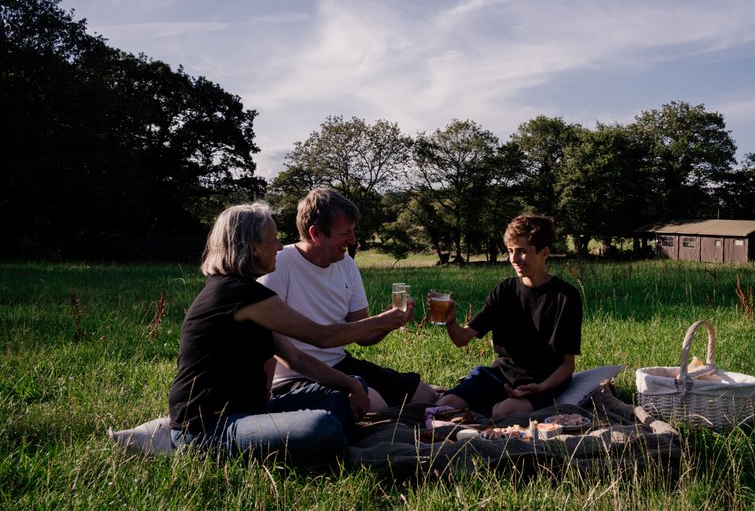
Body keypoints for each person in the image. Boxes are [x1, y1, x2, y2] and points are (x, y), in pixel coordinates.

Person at [167, 202, 409, 464]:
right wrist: (381, 321)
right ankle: (338, 444)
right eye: (273, 239)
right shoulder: (236, 294)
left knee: (348, 390)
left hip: (251, 412)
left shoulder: (246, 292)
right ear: (253, 247)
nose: (280, 246)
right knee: (321, 426)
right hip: (207, 430)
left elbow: (296, 358)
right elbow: (323, 337)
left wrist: (351, 384)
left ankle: (330, 437)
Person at [258, 188, 439, 409]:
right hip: (295, 376)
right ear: (316, 234)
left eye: (353, 231)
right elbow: (283, 348)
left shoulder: (346, 265)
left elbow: (363, 335)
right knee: (374, 404)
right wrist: (380, 321)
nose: (352, 240)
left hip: (339, 363)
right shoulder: (279, 265)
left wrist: (388, 323)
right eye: (345, 233)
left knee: (426, 395)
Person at [434, 215, 582, 419]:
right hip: (501, 374)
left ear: (545, 252)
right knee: (443, 407)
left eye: (522, 251)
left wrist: (540, 388)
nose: (514, 259)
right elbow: (462, 339)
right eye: (511, 251)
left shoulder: (565, 297)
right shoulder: (505, 291)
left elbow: (567, 365)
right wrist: (450, 321)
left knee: (502, 413)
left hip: (543, 381)